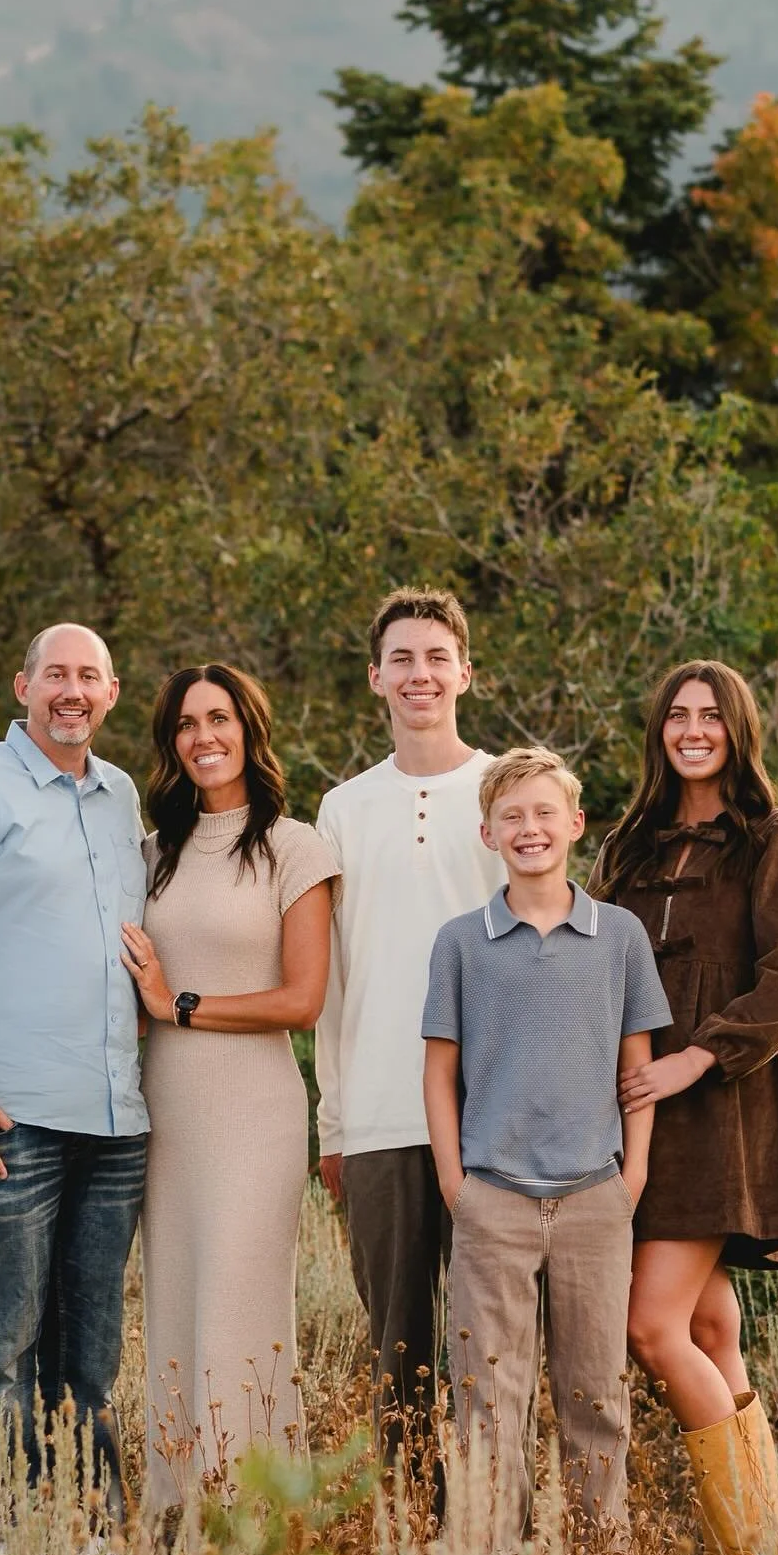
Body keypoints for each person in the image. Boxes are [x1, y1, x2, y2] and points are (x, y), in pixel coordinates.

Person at [0, 622, 147, 1519]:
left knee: (91, 1348)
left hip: (116, 1124)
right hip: (5, 1120)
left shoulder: (122, 798)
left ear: (111, 693)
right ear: (23, 686)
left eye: (89, 676)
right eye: (56, 675)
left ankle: (90, 1524)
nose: (72, 691)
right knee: (2, 1341)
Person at [590, 661, 778, 1555]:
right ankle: (776, 1547)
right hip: (632, 1116)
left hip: (722, 1114)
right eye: (678, 716)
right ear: (660, 732)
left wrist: (697, 1055)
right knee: (709, 1329)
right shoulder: (629, 846)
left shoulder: (776, 837)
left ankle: (761, 1550)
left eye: (711, 716)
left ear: (737, 729)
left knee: (650, 1328)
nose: (694, 730)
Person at [422, 746, 672, 1550]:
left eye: (544, 813)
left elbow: (638, 1071)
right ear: (488, 834)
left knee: (596, 1396)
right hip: (492, 1199)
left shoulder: (619, 937)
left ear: (575, 824)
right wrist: (457, 1184)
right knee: (488, 1400)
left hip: (596, 1199)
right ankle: (492, 1551)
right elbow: (439, 1074)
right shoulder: (461, 942)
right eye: (511, 817)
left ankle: (602, 1550)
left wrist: (630, 1179)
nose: (530, 829)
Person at [118, 665, 338, 1508]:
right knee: (175, 1305)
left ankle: (254, 1511)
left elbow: (302, 1000)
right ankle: (175, 1511)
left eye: (219, 719)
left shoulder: (296, 846)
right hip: (166, 1111)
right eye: (185, 723)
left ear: (250, 728)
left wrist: (177, 1003)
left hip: (255, 1111)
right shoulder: (154, 851)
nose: (203, 737)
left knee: (242, 1309)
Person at [314, 586, 504, 1469]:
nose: (419, 674)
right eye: (402, 659)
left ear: (465, 671)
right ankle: (410, 1537)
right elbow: (334, 980)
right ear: (375, 679)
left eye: (436, 657)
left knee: (492, 1353)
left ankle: (496, 1534)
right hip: (382, 1118)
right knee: (399, 1351)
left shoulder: (506, 793)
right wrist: (335, 1125)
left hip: (496, 1121)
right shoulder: (343, 810)